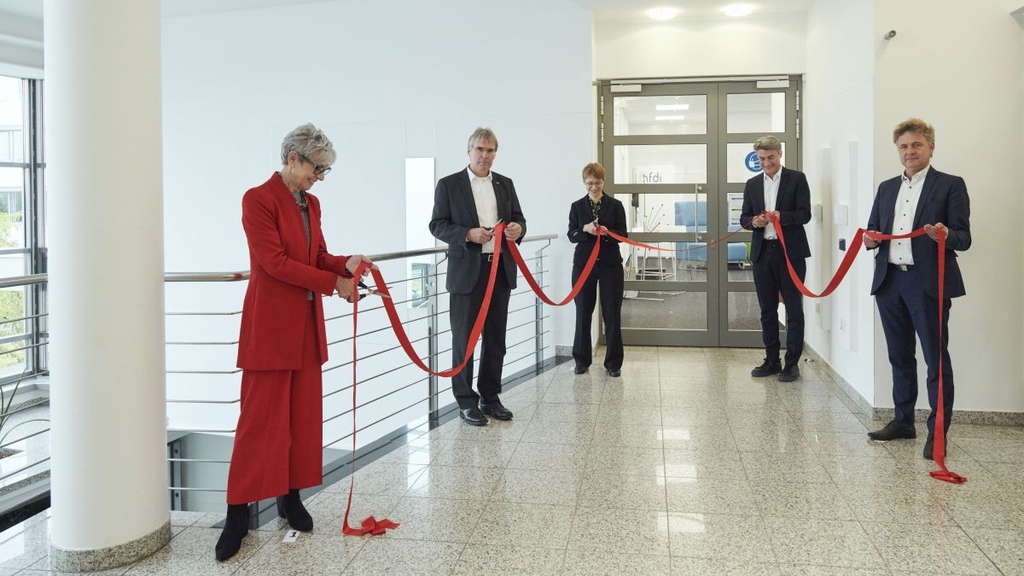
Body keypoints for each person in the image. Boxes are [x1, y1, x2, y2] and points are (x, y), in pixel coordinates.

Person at [216, 123, 376, 561]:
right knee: (257, 425)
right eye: (317, 168)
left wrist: (345, 263)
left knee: (300, 420)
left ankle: (290, 497)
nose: (320, 177)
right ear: (293, 159)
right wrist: (334, 283)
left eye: (324, 171)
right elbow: (275, 263)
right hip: (269, 328)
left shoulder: (312, 204)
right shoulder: (257, 200)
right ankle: (236, 515)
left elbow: (316, 255)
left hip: (305, 327)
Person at [864, 118, 971, 460]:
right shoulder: (885, 188)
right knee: (899, 356)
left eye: (916, 145)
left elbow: (963, 238)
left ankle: (936, 433)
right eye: (904, 146)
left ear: (930, 147)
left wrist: (944, 235)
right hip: (890, 281)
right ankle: (903, 421)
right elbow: (874, 229)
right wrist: (869, 239)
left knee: (935, 360)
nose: (910, 151)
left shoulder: (950, 185)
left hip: (927, 283)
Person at [429, 127, 526, 426]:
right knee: (465, 341)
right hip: (466, 273)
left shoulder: (505, 184)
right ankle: (466, 401)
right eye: (480, 149)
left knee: (496, 340)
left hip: (499, 270)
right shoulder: (449, 184)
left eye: (491, 150)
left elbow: (519, 218)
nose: (485, 155)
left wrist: (518, 230)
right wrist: (466, 234)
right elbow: (437, 225)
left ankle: (490, 397)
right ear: (468, 151)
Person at [739, 135, 811, 383]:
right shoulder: (751, 184)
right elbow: (744, 219)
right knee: (767, 310)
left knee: (793, 309)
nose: (766, 162)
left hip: (790, 252)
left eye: (770, 157)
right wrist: (754, 222)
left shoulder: (797, 179)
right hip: (763, 252)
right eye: (761, 159)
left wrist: (782, 216)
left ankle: (791, 363)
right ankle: (771, 360)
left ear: (779, 155)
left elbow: (805, 214)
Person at [567, 162, 627, 377]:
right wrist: (586, 230)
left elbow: (623, 234)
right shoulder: (576, 206)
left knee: (612, 314)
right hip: (584, 265)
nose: (594, 187)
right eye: (590, 183)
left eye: (598, 182)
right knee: (583, 312)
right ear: (584, 183)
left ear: (604, 181)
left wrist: (606, 232)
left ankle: (613, 364)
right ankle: (581, 360)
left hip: (610, 264)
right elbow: (571, 235)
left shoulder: (616, 205)